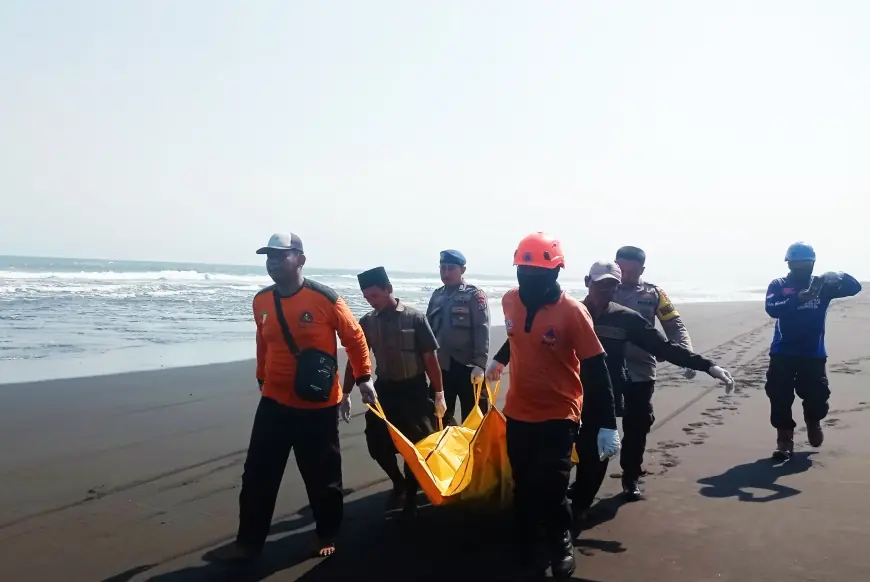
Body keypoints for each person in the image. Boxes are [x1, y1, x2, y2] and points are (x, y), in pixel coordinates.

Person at [217, 233, 376, 562]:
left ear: (300, 259)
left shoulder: (324, 298)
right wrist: (261, 376)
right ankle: (249, 542)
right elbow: (263, 342)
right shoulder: (261, 301)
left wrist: (363, 378)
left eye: (281, 255)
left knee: (322, 475)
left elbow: (354, 337)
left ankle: (326, 532)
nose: (272, 262)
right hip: (274, 402)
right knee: (258, 475)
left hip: (317, 405)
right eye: (269, 256)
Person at [486, 232, 620, 579]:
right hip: (518, 409)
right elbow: (516, 338)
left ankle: (560, 541)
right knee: (524, 481)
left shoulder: (572, 313)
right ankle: (528, 537)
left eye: (536, 275)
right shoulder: (509, 301)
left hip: (560, 412)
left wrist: (607, 423)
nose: (528, 280)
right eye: (522, 272)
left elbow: (595, 367)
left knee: (554, 483)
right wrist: (499, 361)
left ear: (555, 273)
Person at [341, 266, 451, 518]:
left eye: (375, 296)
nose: (371, 301)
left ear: (389, 289)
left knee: (416, 445)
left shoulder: (414, 318)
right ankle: (398, 482)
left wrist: (439, 392)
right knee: (377, 443)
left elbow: (430, 358)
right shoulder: (367, 323)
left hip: (413, 390)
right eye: (367, 297)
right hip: (384, 390)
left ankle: (411, 496)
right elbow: (356, 359)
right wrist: (345, 393)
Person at [764, 242, 862, 460]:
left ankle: (813, 421)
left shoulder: (822, 286)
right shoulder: (779, 284)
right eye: (797, 263)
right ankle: (784, 439)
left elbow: (855, 287)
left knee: (817, 395)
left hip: (813, 352)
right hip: (783, 351)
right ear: (789, 264)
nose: (801, 266)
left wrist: (838, 275)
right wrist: (797, 299)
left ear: (813, 263)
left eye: (806, 263)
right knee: (779, 395)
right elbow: (772, 308)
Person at [612, 245, 695, 499]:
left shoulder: (654, 294)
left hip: (642, 370)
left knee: (637, 425)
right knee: (595, 424)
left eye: (631, 271)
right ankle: (587, 475)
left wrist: (686, 354)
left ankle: (631, 476)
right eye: (620, 269)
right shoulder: (604, 288)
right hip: (608, 367)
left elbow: (674, 325)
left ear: (642, 270)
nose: (624, 275)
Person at [426, 249, 491, 421]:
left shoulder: (474, 295)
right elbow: (428, 330)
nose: (445, 273)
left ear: (462, 270)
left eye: (451, 268)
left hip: (468, 368)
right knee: (439, 418)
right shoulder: (437, 295)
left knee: (475, 420)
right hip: (442, 367)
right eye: (442, 268)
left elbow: (481, 329)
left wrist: (480, 364)